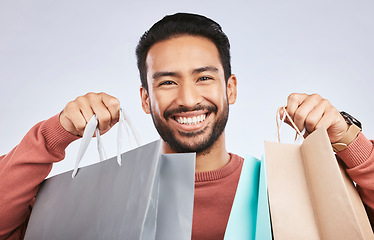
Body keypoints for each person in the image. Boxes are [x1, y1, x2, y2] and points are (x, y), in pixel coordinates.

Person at [0, 13, 373, 240]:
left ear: (231, 88)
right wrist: (54, 135)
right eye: (166, 82)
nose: (188, 98)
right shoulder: (94, 198)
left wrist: (348, 140)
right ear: (146, 99)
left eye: (204, 78)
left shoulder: (280, 190)